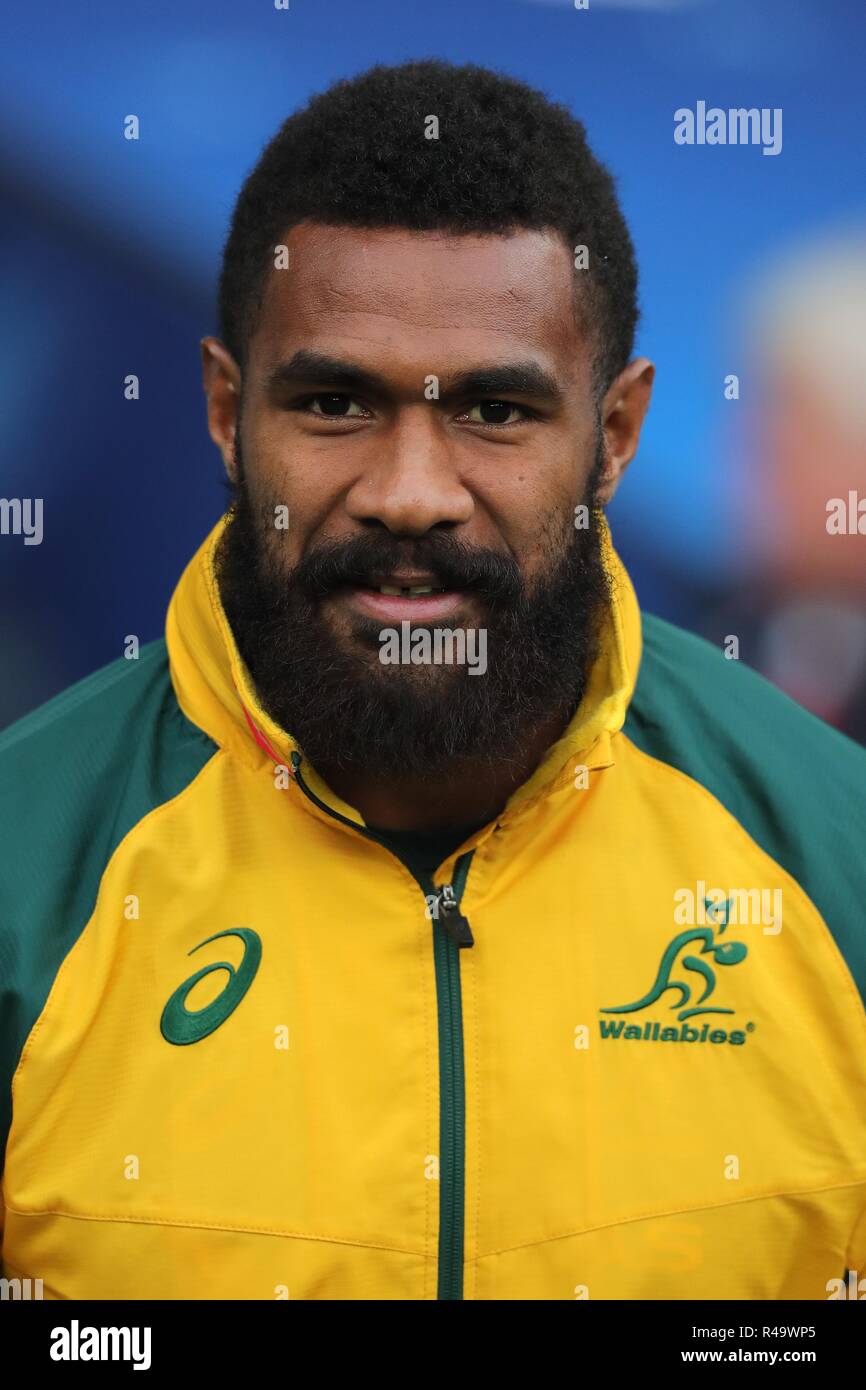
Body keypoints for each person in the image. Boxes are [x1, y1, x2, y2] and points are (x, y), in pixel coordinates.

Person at [1, 60, 864, 1302]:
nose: (411, 492)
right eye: (337, 402)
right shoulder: (25, 876)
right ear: (222, 410)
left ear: (614, 434)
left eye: (496, 412)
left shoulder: (831, 867)